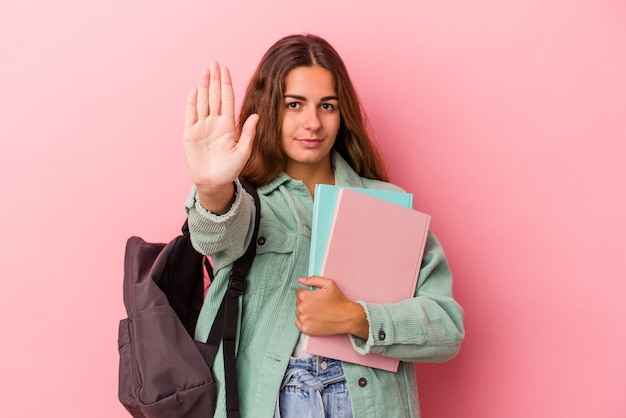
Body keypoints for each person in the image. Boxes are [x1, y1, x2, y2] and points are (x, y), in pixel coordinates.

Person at [182, 33, 464, 418]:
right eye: (294, 104)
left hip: (367, 402)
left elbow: (446, 329)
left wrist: (355, 317)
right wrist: (212, 188)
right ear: (269, 109)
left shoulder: (384, 203)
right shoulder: (244, 200)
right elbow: (214, 234)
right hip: (268, 400)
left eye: (326, 106)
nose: (312, 123)